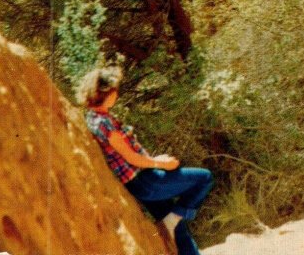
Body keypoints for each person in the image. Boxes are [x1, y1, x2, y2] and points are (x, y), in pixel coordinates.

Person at [79, 67, 213, 255]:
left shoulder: (95, 117)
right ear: (105, 93)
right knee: (204, 179)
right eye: (114, 90)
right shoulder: (103, 123)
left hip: (140, 183)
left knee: (177, 228)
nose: (116, 93)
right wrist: (160, 163)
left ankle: (174, 222)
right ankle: (174, 217)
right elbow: (131, 157)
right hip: (145, 181)